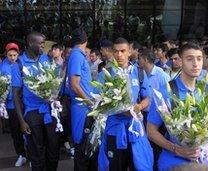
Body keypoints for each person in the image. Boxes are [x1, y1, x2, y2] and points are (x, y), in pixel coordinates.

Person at [147, 42, 208, 171]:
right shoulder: (166, 92)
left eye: (199, 59)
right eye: (189, 59)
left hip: (202, 160)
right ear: (180, 61)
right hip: (173, 161)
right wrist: (177, 149)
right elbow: (151, 131)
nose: (195, 64)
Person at [97, 37, 153, 171]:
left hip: (135, 128)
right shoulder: (105, 74)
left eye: (123, 51)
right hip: (114, 129)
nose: (119, 55)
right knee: (115, 166)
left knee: (138, 165)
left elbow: (147, 98)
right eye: (116, 51)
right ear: (112, 52)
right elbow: (98, 102)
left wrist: (139, 107)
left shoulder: (139, 73)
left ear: (130, 52)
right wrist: (119, 109)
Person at [11, 32, 60, 171]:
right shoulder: (19, 64)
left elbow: (54, 82)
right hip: (32, 113)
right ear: (31, 44)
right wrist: (21, 121)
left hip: (50, 111)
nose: (43, 47)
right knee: (36, 153)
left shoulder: (46, 59)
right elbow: (16, 94)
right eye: (41, 44)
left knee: (53, 149)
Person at [67, 27, 98, 171]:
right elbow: (74, 85)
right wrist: (89, 102)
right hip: (82, 108)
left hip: (84, 107)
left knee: (87, 147)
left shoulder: (78, 55)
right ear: (86, 40)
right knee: (82, 147)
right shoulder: (77, 56)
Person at [0, 42, 27, 167]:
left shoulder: (22, 64)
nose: (12, 57)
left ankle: (32, 155)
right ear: (6, 54)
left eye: (15, 55)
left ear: (18, 54)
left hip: (24, 103)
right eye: (10, 55)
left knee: (28, 130)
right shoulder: (2, 66)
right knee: (16, 132)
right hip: (11, 105)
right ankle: (21, 154)